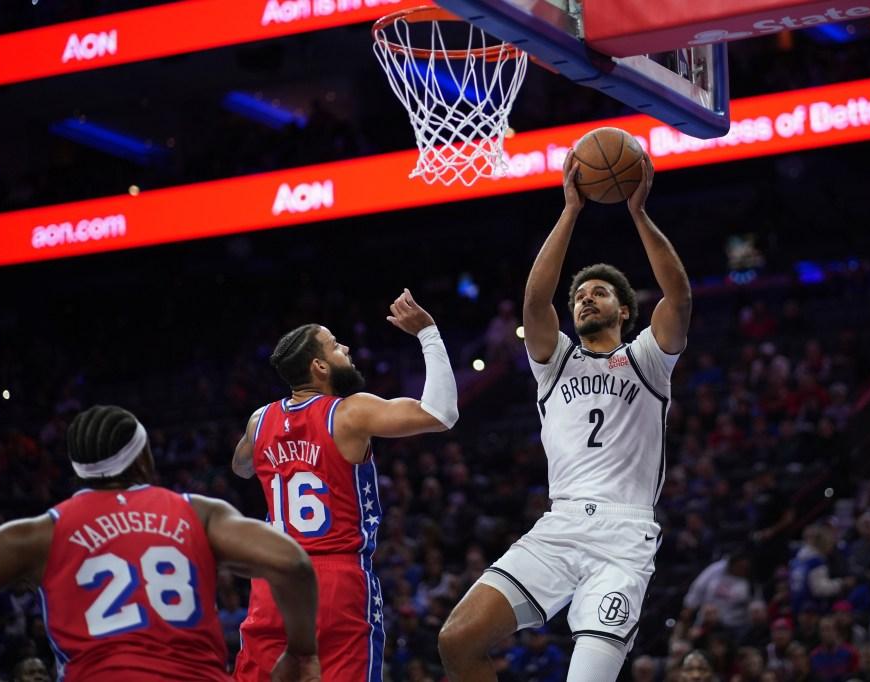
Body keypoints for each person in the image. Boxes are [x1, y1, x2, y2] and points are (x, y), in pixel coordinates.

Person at [439, 149, 692, 682]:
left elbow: (680, 297)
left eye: (598, 293)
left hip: (624, 537)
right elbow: (535, 302)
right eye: (578, 295)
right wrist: (570, 210)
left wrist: (638, 212)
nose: (585, 300)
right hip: (560, 525)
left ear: (624, 310)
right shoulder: (554, 363)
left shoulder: (647, 358)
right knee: (458, 640)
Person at [0, 405, 319, 682]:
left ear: (79, 469)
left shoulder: (39, 534)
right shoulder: (198, 512)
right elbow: (292, 563)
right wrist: (301, 652)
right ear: (144, 457)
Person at [232, 289, 459, 682]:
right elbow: (441, 413)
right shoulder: (350, 412)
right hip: (336, 580)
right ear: (320, 366)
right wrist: (429, 334)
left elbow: (241, 468)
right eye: (336, 346)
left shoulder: (260, 420)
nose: (347, 348)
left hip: (275, 582)